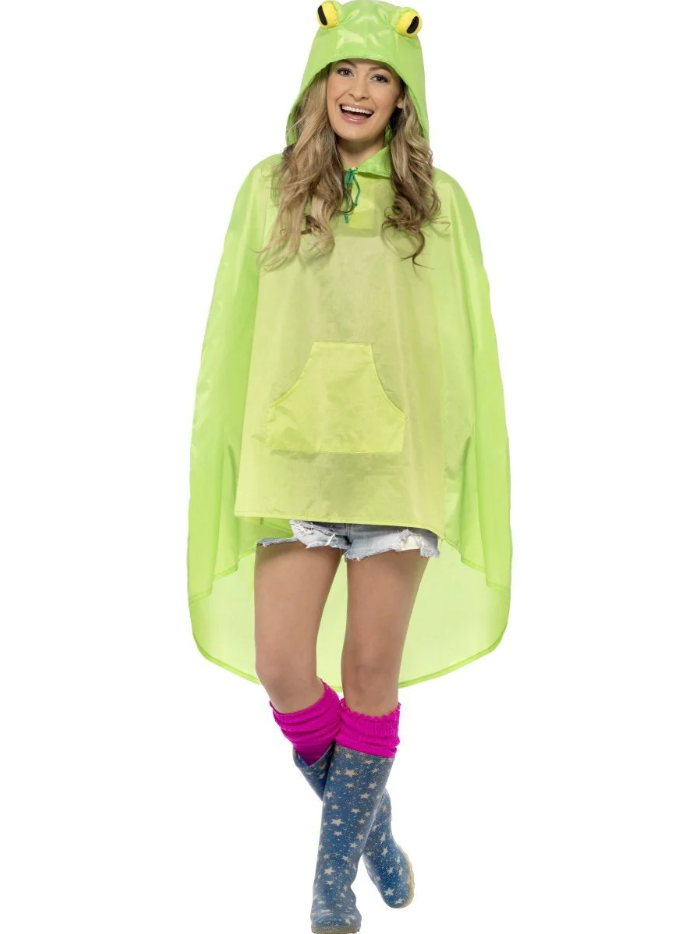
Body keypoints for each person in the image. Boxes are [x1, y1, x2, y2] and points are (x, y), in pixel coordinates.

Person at [187, 3, 512, 931]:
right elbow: (234, 326)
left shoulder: (439, 203)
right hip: (297, 457)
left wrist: (454, 459)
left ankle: (330, 889)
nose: (358, 90)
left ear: (404, 98)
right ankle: (373, 833)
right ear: (316, 80)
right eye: (342, 71)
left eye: (378, 76)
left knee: (370, 672)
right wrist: (231, 443)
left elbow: (463, 342)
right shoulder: (270, 188)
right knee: (283, 667)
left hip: (397, 469)